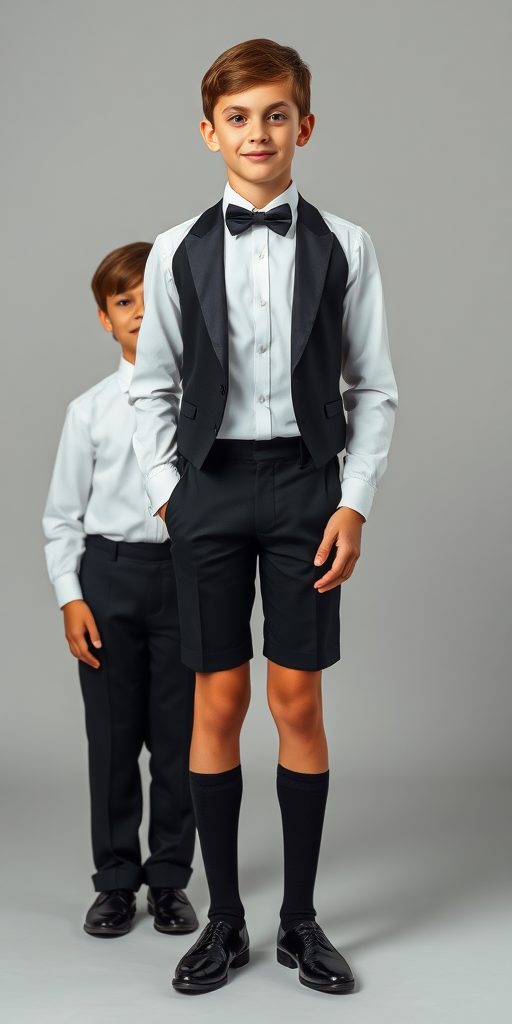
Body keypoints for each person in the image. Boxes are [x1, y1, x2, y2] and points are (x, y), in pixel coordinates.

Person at [130, 38, 397, 993]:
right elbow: (149, 387)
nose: (258, 132)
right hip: (207, 488)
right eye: (238, 118)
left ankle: (299, 921)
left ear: (305, 127)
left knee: (295, 699)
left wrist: (353, 504)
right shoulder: (175, 250)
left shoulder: (347, 245)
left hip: (303, 489)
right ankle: (227, 922)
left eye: (275, 114)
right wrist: (169, 492)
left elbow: (375, 389)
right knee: (218, 699)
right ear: (210, 133)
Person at [43, 243, 198, 939]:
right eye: (123, 301)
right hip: (108, 579)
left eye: (150, 298)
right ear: (105, 319)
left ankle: (169, 879)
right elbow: (60, 517)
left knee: (179, 740)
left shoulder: (207, 407)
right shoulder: (89, 412)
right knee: (111, 739)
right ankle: (114, 880)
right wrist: (70, 597)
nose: (139, 313)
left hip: (184, 577)